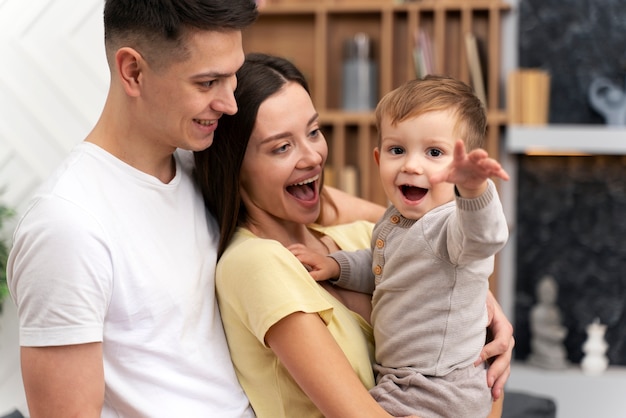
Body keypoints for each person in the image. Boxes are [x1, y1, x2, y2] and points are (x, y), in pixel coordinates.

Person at [194, 54, 514, 418]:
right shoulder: (255, 263)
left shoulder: (363, 232)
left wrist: (483, 300)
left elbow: (458, 245)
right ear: (235, 165)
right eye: (282, 147)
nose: (312, 157)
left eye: (314, 132)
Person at [6, 1, 260, 416]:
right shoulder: (67, 225)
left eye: (233, 77)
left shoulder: (200, 167)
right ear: (133, 72)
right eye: (208, 82)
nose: (230, 104)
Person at [290, 75, 510, 418]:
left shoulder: (450, 224)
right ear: (378, 159)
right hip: (407, 379)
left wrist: (474, 191)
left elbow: (486, 237)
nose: (411, 164)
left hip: (439, 387)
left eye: (434, 152)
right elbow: (383, 267)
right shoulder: (396, 220)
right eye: (397, 150)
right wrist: (336, 266)